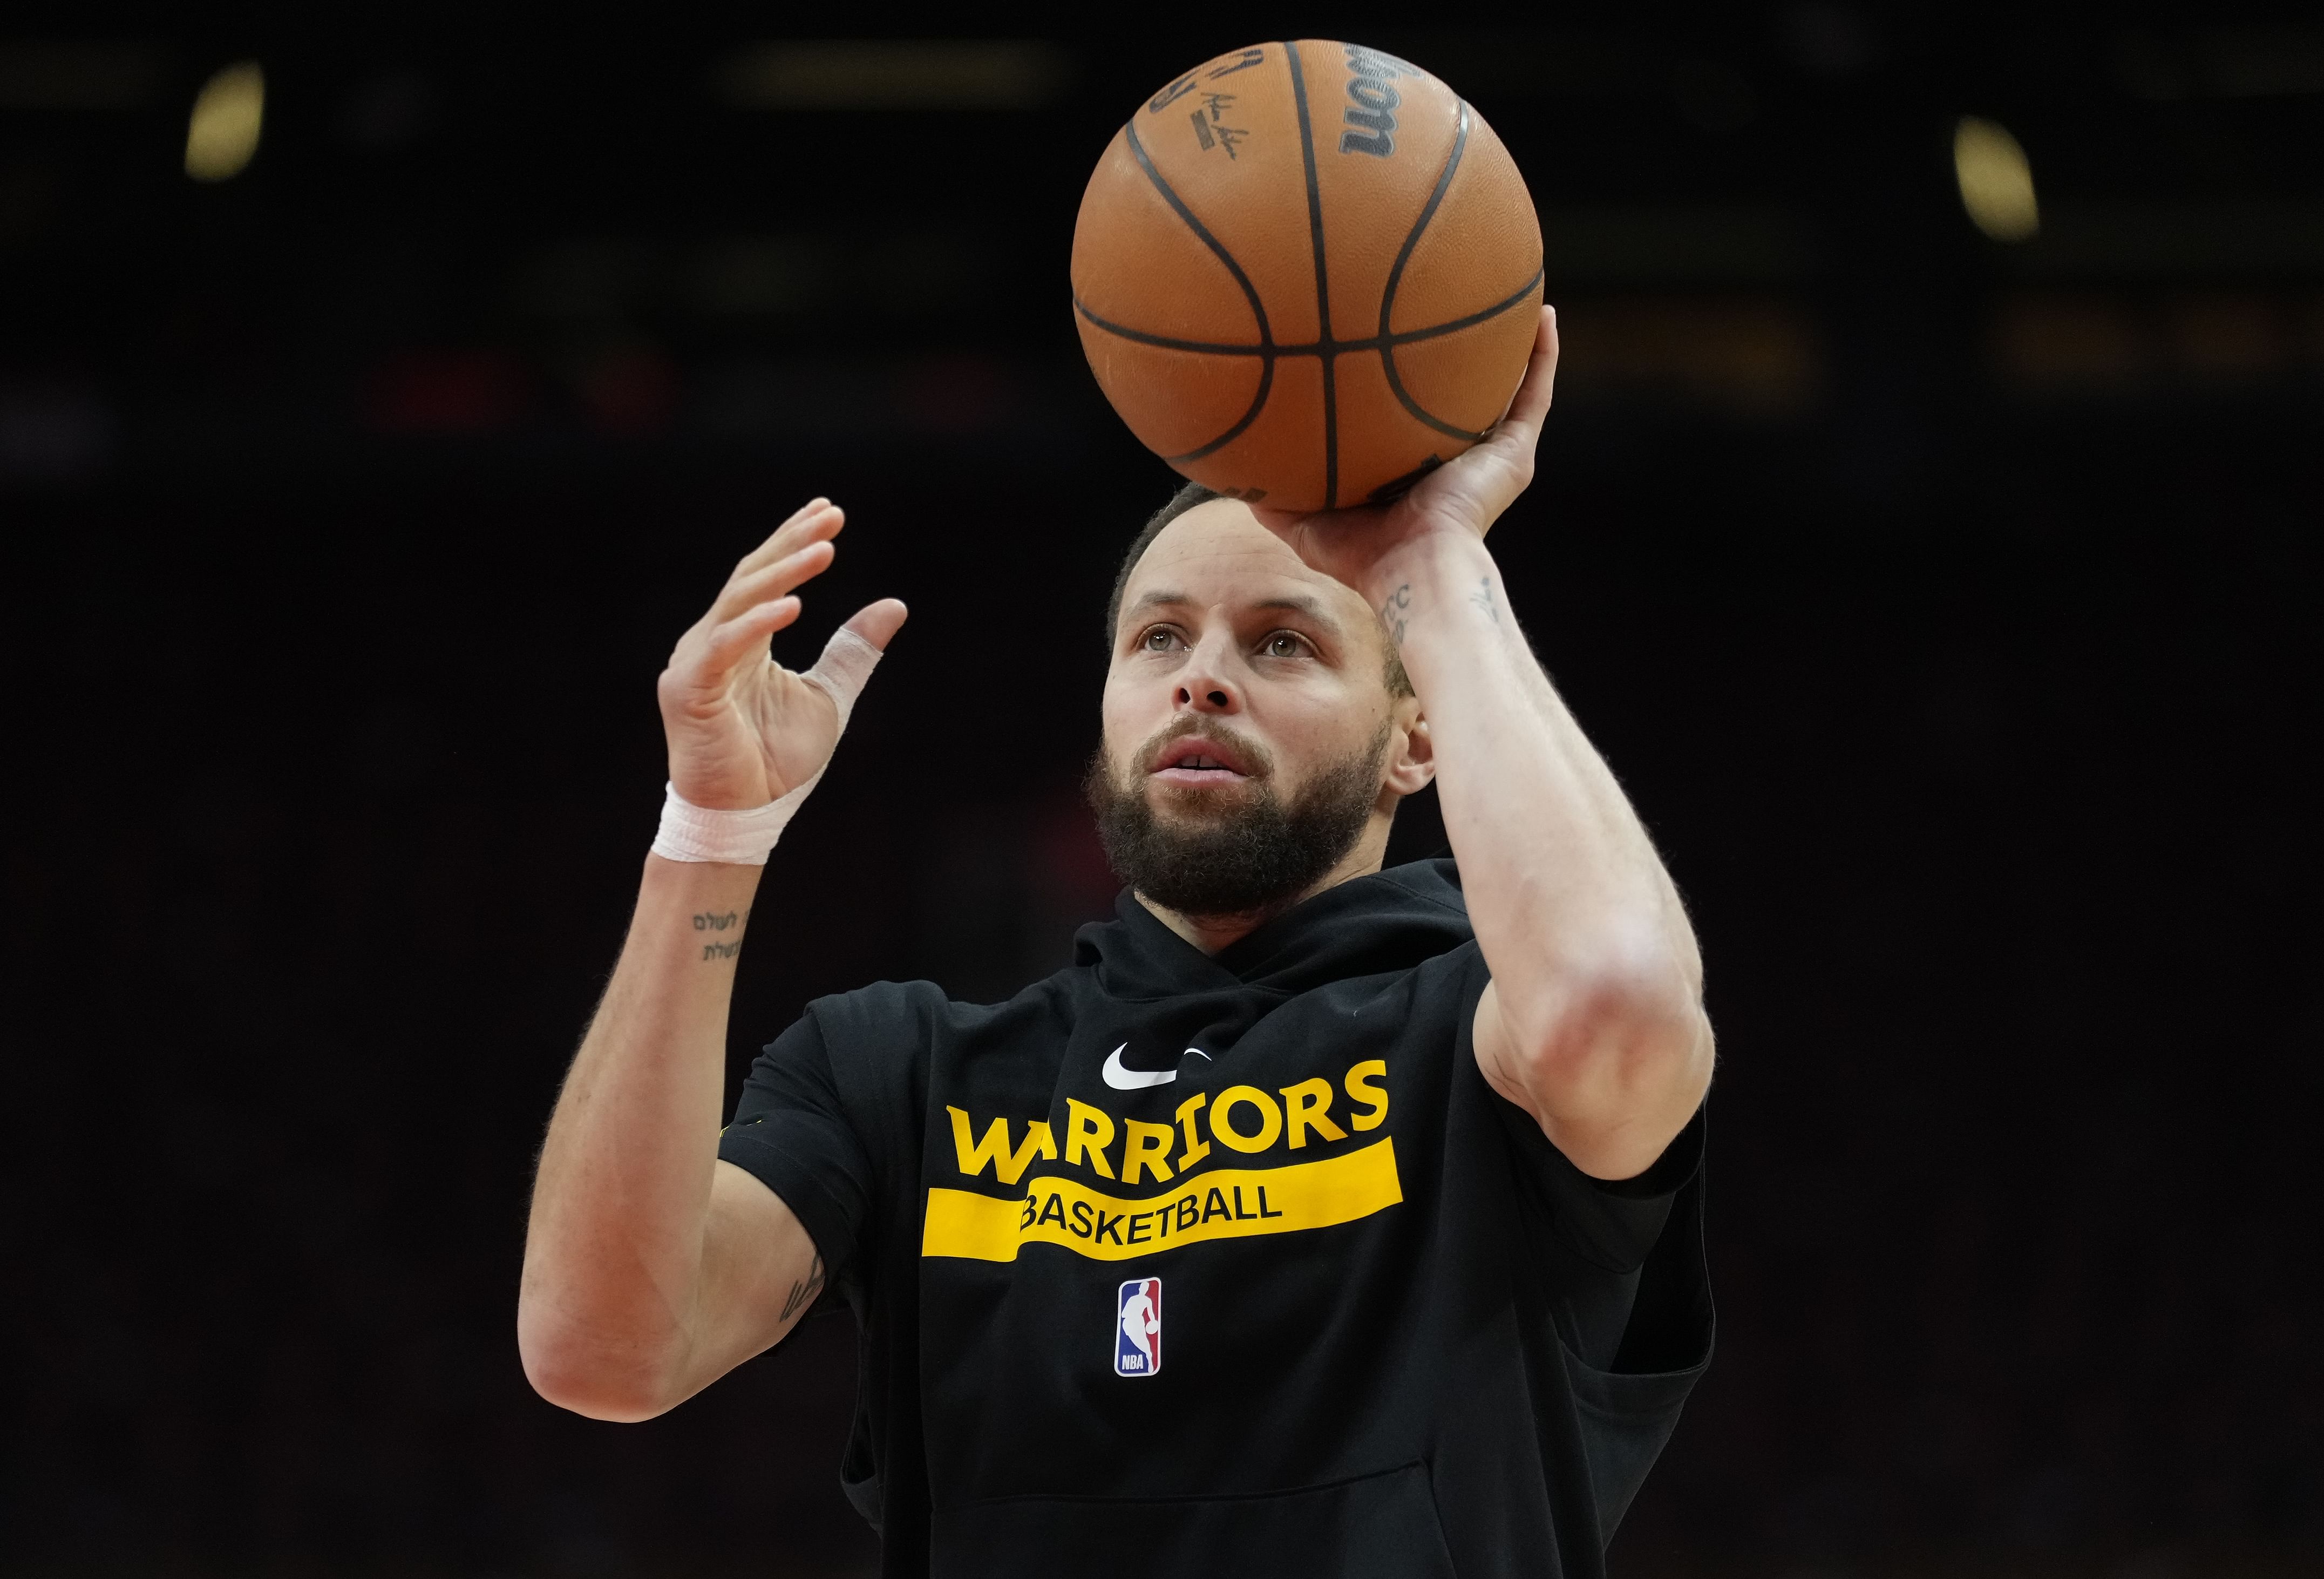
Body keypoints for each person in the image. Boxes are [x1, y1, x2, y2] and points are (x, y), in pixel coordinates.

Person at [518, 310, 1716, 1579]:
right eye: (1159, 637)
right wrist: (711, 828)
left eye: (1285, 641)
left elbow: (1616, 996)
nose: (1202, 676)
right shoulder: (904, 1072)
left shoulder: (1479, 1042)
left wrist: (1434, 568)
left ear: (1416, 740)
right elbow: (602, 1346)